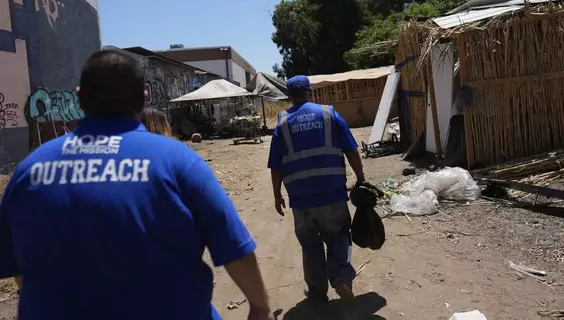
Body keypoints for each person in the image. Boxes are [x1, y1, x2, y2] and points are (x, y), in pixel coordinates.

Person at [0, 50, 274, 320]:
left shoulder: (28, 172)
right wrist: (260, 306)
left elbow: (19, 268)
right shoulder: (177, 161)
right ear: (144, 97)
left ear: (80, 96)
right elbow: (234, 247)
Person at [267, 75, 366, 303]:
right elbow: (351, 150)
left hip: (301, 201)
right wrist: (360, 178)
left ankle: (317, 292)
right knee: (339, 237)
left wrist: (276, 195)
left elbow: (276, 165)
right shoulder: (330, 114)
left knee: (310, 248)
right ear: (310, 92)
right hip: (332, 195)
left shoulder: (282, 123)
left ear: (290, 96)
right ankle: (341, 278)